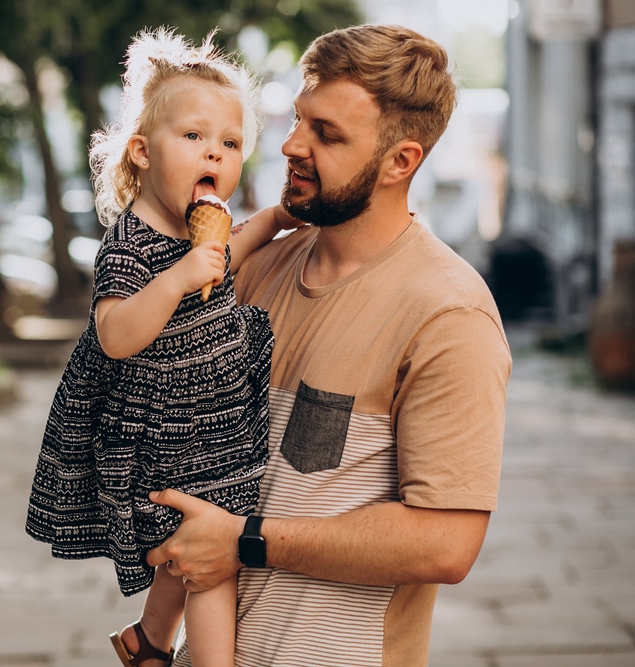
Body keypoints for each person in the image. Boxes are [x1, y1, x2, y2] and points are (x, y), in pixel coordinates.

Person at [147, 24, 513, 667]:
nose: (291, 145)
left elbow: (446, 543)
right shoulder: (253, 270)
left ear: (402, 161)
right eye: (298, 120)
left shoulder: (448, 314)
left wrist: (245, 542)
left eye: (328, 134)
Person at [25, 28, 282, 667]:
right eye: (193, 137)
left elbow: (224, 256)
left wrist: (272, 222)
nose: (214, 154)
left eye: (229, 143)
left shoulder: (201, 234)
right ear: (141, 152)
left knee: (190, 549)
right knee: (209, 563)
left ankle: (149, 642)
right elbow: (115, 334)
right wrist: (178, 278)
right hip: (161, 434)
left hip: (215, 423)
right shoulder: (130, 245)